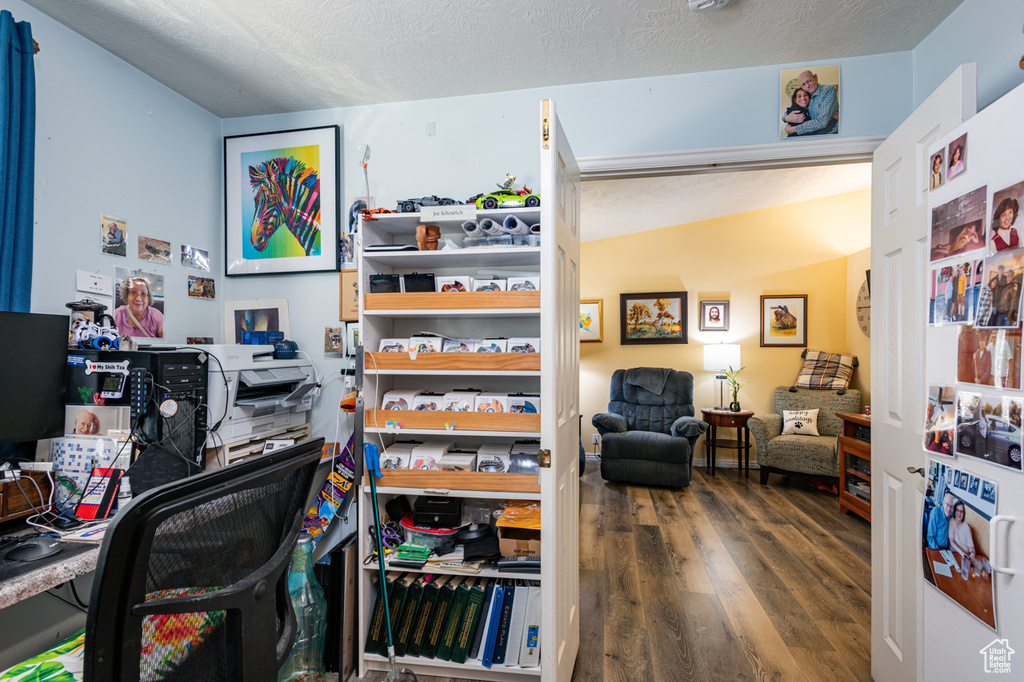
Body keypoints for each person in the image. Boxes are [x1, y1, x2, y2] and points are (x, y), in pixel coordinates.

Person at [783, 70, 838, 136]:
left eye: (809, 81)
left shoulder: (828, 90)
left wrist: (793, 129)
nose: (807, 86)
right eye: (803, 84)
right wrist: (786, 118)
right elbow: (790, 110)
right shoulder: (807, 93)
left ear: (816, 77)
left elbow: (822, 122)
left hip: (829, 135)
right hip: (811, 137)